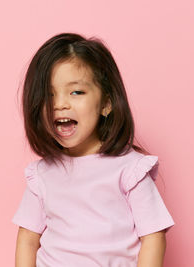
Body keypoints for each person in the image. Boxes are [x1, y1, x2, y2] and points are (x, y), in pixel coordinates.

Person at [11, 32, 175, 267]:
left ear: (106, 104)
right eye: (49, 95)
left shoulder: (129, 169)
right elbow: (27, 238)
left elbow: (153, 236)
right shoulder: (42, 174)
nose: (60, 104)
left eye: (76, 92)